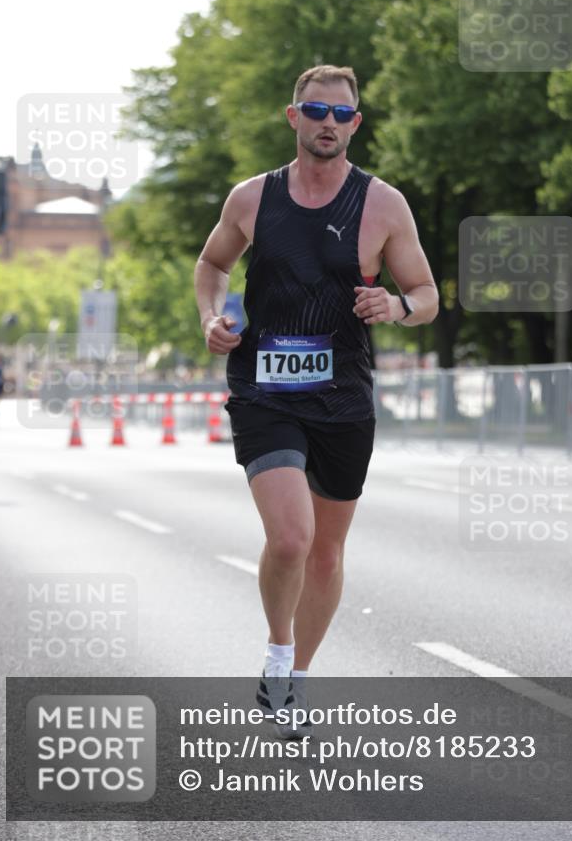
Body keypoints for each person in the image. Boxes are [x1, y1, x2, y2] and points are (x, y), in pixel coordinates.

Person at [194, 64, 438, 733]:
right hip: (263, 389)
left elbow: (426, 297)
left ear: (355, 124)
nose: (327, 123)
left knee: (326, 553)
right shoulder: (251, 198)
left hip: (343, 398)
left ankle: (294, 681)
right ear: (293, 116)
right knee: (292, 536)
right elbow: (212, 265)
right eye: (314, 110)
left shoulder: (383, 205)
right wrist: (212, 317)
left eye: (340, 115)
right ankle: (277, 657)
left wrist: (394, 302)